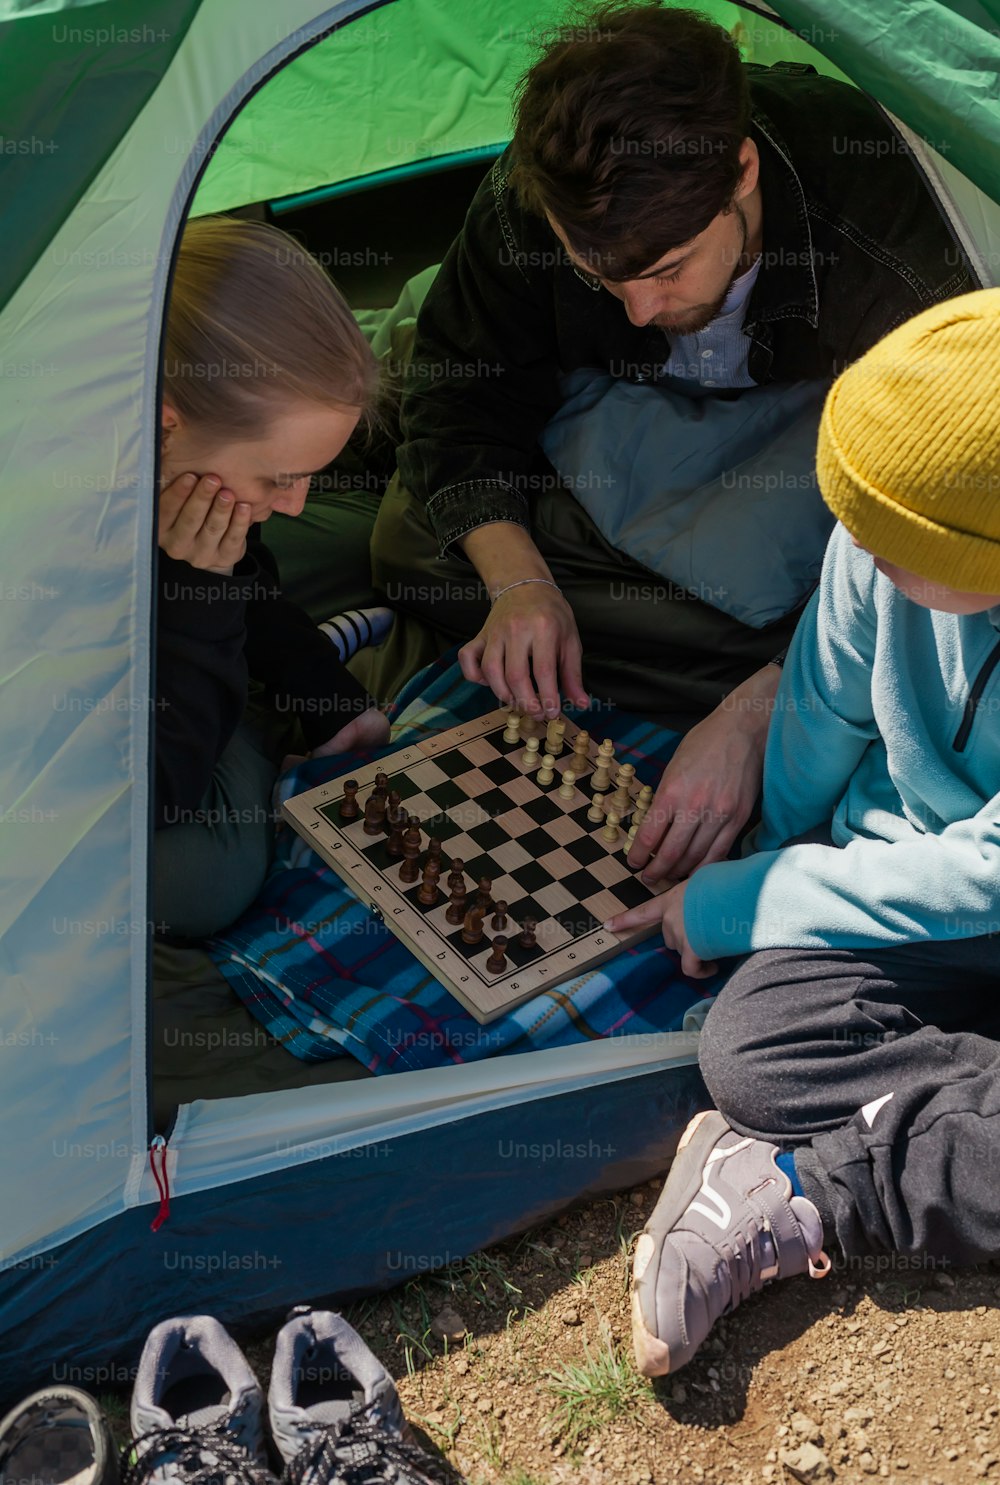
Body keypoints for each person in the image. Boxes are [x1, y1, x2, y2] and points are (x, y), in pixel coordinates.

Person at [370, 1, 977, 886]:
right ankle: (658, 640)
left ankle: (731, 671)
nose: (639, 310)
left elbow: (931, 507)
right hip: (624, 426)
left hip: (817, 447)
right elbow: (461, 394)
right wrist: (520, 583)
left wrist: (750, 715)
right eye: (597, 277)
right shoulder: (533, 200)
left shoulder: (885, 230)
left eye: (664, 271)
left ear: (740, 172)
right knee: (411, 541)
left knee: (909, 633)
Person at [601, 288, 1000, 1375]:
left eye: (892, 549)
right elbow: (821, 711)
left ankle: (820, 1191)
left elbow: (988, 875)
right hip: (910, 904)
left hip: (978, 892)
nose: (859, 560)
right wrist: (759, 865)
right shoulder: (871, 546)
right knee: (753, 1050)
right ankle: (931, 1125)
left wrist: (751, 901)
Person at [155, 216, 390, 940]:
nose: (293, 502)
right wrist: (202, 592)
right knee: (196, 884)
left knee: (361, 543)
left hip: (188, 605)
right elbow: (159, 788)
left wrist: (325, 697)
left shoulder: (193, 461)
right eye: (280, 477)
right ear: (164, 425)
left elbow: (256, 569)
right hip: (136, 730)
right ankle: (251, 724)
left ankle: (264, 687)